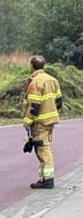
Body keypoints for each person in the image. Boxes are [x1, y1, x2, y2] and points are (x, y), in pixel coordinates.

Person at [22, 55, 62, 189]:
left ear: (32, 67)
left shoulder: (35, 82)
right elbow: (59, 102)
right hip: (50, 121)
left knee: (43, 149)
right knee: (43, 147)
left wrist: (27, 122)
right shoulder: (53, 80)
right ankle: (43, 178)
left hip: (39, 122)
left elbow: (34, 106)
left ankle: (48, 180)